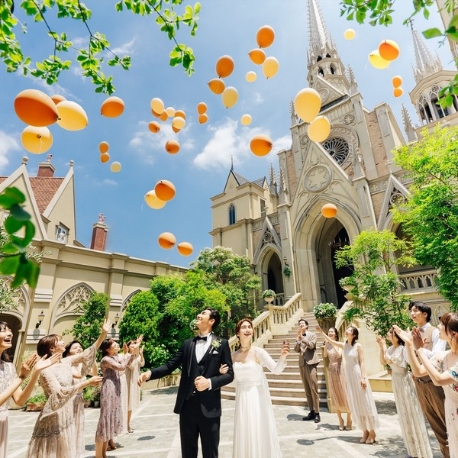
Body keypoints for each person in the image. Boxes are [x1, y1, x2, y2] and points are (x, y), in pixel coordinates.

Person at [138, 308, 234, 458]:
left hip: (210, 407)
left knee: (211, 452)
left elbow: (230, 374)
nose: (198, 315)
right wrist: (149, 373)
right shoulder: (187, 344)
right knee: (188, 452)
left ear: (211, 321)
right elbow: (170, 366)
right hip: (187, 406)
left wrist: (209, 382)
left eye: (203, 314)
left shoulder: (221, 343)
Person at [25, 320, 109, 458]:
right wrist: (86, 383)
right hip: (54, 416)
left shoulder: (66, 361)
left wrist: (103, 334)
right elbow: (58, 393)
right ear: (52, 348)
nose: (64, 342)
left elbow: (87, 353)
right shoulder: (46, 370)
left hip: (67, 412)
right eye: (60, 340)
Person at [220, 318, 288, 458]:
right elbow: (232, 382)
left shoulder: (258, 352)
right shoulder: (232, 356)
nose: (247, 329)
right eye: (243, 327)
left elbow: (276, 370)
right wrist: (222, 375)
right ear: (237, 333)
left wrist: (282, 357)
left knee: (257, 430)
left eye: (249, 327)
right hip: (242, 398)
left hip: (257, 398)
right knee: (244, 431)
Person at [395, 312, 458, 458]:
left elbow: (438, 380)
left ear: (453, 333)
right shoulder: (443, 356)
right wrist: (410, 345)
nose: (438, 326)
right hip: (450, 411)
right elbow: (418, 371)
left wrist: (420, 350)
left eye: (442, 324)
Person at [0, 321, 59, 457]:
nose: (10, 333)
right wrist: (21, 378)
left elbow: (20, 401)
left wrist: (35, 372)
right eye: (3, 330)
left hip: (3, 422)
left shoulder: (8, 367)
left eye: (9, 330)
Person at [376, 327, 433, 458]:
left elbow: (390, 360)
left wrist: (383, 346)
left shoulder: (402, 349)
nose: (388, 334)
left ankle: (421, 451)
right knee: (404, 415)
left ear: (396, 336)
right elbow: (383, 361)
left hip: (404, 382)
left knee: (412, 413)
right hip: (396, 382)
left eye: (390, 332)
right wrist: (381, 347)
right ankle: (412, 450)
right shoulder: (390, 349)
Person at [317, 325, 379, 443]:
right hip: (349, 375)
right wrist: (321, 333)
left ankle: (372, 431)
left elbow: (362, 362)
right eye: (347, 330)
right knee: (356, 403)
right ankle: (364, 431)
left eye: (350, 330)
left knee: (365, 402)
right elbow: (330, 341)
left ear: (354, 335)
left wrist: (363, 377)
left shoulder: (358, 346)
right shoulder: (344, 345)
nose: (347, 331)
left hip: (357, 374)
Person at [404, 300, 449, 458]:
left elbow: (437, 356)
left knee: (447, 422)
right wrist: (410, 345)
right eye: (411, 311)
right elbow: (407, 359)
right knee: (435, 424)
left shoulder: (436, 332)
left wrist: (419, 349)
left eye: (416, 311)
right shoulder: (411, 334)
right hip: (419, 384)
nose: (412, 313)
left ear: (425, 314)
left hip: (435, 383)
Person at [94, 339, 138, 458]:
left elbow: (127, 363)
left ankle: (104, 453)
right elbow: (121, 366)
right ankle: (99, 454)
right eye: (114, 344)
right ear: (107, 349)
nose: (117, 345)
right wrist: (129, 355)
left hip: (115, 386)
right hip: (109, 388)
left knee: (111, 418)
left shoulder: (114, 357)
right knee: (105, 419)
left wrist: (133, 352)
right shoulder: (106, 359)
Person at [63, 340, 99, 458]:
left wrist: (91, 359)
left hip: (79, 400)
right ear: (68, 353)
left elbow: (94, 373)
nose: (79, 349)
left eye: (80, 347)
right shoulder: (66, 365)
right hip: (68, 402)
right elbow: (79, 376)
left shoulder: (81, 365)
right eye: (75, 348)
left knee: (78, 429)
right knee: (68, 429)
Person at [322, 327, 351, 431]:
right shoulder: (328, 344)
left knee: (344, 393)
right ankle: (340, 420)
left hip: (340, 369)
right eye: (328, 331)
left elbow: (339, 355)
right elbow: (325, 355)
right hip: (332, 370)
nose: (329, 333)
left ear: (335, 334)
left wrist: (332, 343)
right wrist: (326, 343)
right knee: (335, 394)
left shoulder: (339, 344)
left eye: (331, 332)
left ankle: (349, 419)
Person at [295, 318, 321, 423]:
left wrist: (303, 338)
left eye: (302, 324)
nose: (301, 325)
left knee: (313, 389)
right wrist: (298, 341)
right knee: (307, 390)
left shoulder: (313, 335)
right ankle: (311, 411)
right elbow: (296, 350)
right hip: (302, 364)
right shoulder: (299, 336)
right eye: (299, 324)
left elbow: (311, 346)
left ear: (306, 325)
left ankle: (318, 413)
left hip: (311, 363)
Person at [125, 339, 145, 433]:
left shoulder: (136, 356)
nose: (133, 347)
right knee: (127, 404)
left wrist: (141, 354)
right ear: (128, 347)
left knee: (130, 404)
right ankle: (126, 425)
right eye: (132, 345)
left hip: (134, 381)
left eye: (135, 345)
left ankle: (128, 424)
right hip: (128, 381)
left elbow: (142, 363)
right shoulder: (127, 356)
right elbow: (132, 366)